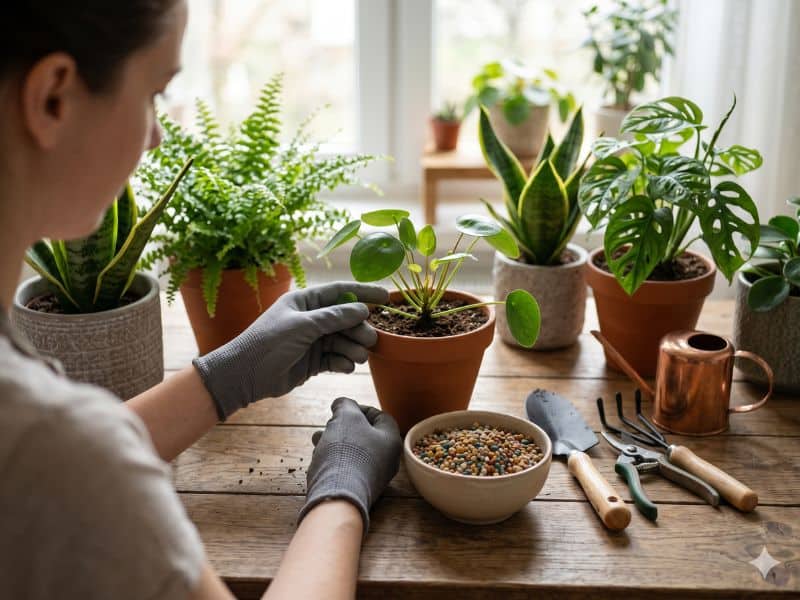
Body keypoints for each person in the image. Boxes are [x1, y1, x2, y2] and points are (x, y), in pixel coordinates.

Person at [0, 2, 402, 599]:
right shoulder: (60, 448)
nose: (158, 134)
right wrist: (339, 495)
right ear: (54, 97)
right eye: (154, 93)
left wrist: (224, 378)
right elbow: (68, 463)